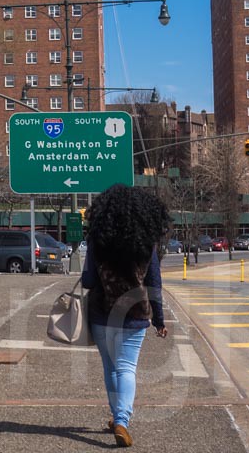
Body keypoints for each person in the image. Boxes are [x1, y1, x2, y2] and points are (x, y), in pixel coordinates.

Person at [81, 184, 169, 448]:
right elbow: (155, 283)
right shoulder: (146, 244)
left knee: (110, 367)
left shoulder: (98, 240)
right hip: (134, 313)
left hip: (101, 312)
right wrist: (159, 320)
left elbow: (88, 280)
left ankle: (117, 417)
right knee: (127, 367)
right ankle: (122, 420)